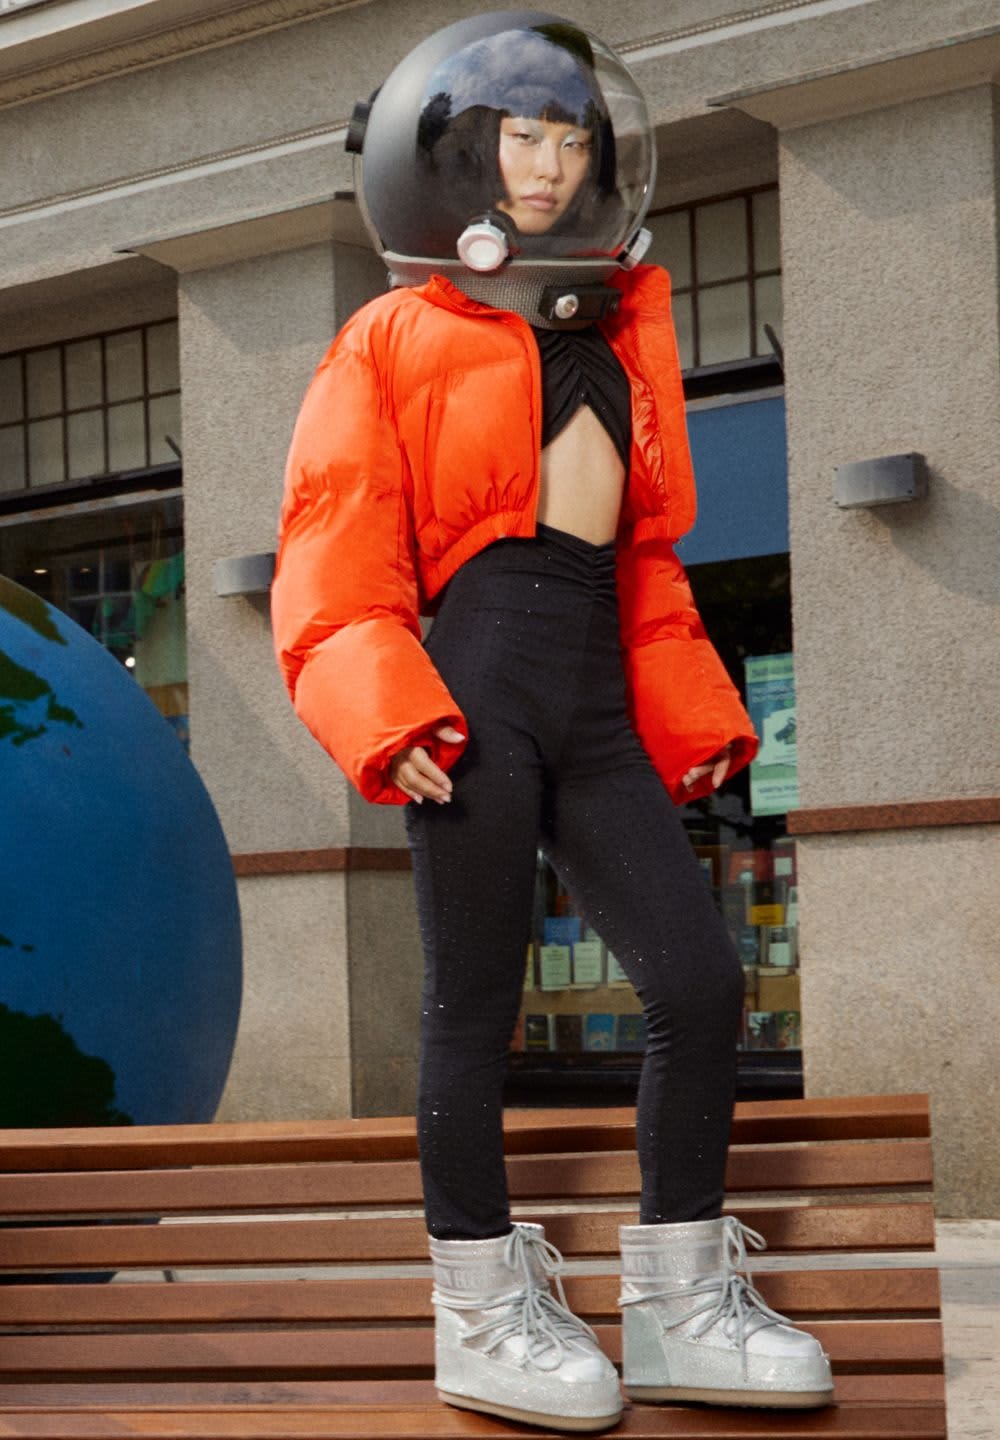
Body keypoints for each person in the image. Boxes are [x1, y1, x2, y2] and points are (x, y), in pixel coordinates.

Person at [272, 11, 834, 1432]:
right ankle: (478, 1305)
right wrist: (378, 704)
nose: (546, 160)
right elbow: (333, 558)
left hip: (587, 693)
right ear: (466, 152)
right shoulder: (391, 335)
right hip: (465, 696)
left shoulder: (618, 329)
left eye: (569, 136)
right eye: (521, 133)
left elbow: (645, 567)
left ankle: (681, 1299)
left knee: (701, 985)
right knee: (472, 1004)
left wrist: (691, 713)